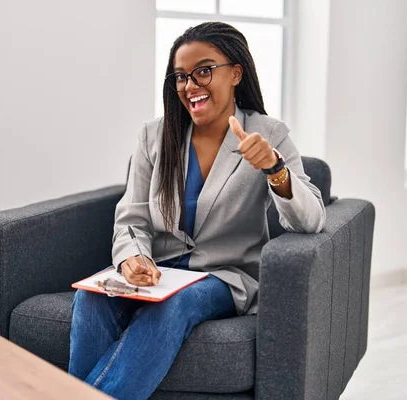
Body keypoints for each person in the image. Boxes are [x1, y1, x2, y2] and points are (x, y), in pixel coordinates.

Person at [68, 21, 326, 399]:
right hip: (159, 273)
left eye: (203, 71)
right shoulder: (154, 136)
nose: (190, 86)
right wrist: (133, 259)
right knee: (91, 297)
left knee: (174, 305)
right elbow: (132, 218)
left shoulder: (269, 134)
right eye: (180, 76)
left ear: (236, 73)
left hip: (224, 277)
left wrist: (275, 169)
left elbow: (312, 220)